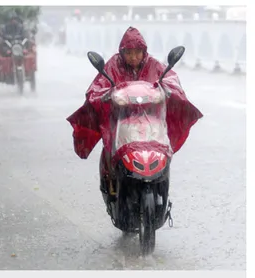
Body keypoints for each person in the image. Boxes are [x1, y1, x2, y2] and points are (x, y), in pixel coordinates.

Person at [66, 26, 203, 206]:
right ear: (122, 52)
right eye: (129, 53)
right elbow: (97, 86)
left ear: (144, 52)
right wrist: (105, 95)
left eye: (137, 52)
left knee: (162, 145)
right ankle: (110, 182)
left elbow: (170, 79)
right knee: (109, 147)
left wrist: (168, 90)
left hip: (151, 120)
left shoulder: (154, 64)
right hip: (121, 120)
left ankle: (161, 182)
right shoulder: (113, 65)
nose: (133, 57)